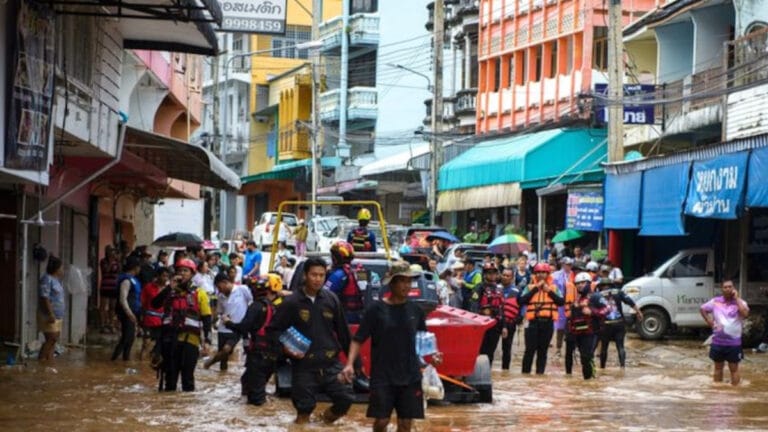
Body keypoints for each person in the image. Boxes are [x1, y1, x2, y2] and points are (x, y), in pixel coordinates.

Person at [342, 261, 444, 432]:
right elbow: (358, 339)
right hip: (383, 375)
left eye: (408, 281)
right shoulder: (376, 310)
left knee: (405, 424)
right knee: (381, 421)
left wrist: (434, 356)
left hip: (410, 375)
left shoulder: (416, 311)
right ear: (391, 283)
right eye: (401, 281)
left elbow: (423, 340)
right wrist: (349, 364)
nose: (406, 285)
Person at [267, 257, 354, 424]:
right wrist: (284, 348)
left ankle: (325, 422)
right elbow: (273, 330)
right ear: (305, 276)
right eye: (314, 275)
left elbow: (344, 334)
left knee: (345, 398)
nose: (318, 279)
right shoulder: (291, 302)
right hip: (304, 367)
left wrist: (353, 364)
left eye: (321, 275)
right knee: (303, 410)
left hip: (330, 364)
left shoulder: (332, 299)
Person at [151, 258, 212, 392]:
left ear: (191, 274)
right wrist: (169, 287)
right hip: (169, 340)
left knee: (187, 377)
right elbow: (155, 304)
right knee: (170, 378)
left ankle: (186, 408)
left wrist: (207, 340)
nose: (182, 273)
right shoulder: (169, 291)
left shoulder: (199, 293)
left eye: (185, 271)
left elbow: (207, 318)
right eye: (179, 270)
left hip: (191, 341)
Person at [223, 274, 281, 405]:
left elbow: (244, 327)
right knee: (248, 383)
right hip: (271, 356)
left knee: (256, 398)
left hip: (258, 356)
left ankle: (259, 421)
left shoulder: (256, 306)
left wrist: (228, 323)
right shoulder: (274, 307)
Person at [700, 280, 749, 385]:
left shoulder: (740, 302)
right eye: (725, 287)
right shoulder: (715, 301)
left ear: (734, 288)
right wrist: (709, 321)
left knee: (734, 369)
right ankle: (717, 391)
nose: (728, 289)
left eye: (730, 287)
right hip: (718, 342)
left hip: (734, 344)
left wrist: (737, 299)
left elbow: (745, 314)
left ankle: (735, 393)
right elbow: (702, 309)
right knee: (718, 369)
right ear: (721, 289)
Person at [519, 263, 564, 374]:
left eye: (543, 272)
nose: (540, 275)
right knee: (529, 351)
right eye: (538, 272)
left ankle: (540, 376)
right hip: (532, 323)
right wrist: (536, 288)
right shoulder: (529, 287)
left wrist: (548, 291)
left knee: (542, 352)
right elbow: (521, 301)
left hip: (547, 323)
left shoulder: (554, 288)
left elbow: (561, 302)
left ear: (547, 274)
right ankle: (525, 375)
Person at [204, 273, 253, 371]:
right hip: (223, 329)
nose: (219, 289)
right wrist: (213, 322)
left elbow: (252, 302)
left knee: (226, 349)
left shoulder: (242, 289)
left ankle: (210, 362)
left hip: (236, 328)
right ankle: (222, 377)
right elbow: (219, 312)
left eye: (219, 286)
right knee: (223, 358)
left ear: (225, 282)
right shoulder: (221, 296)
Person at [566, 272, 608, 380]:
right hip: (579, 333)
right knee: (583, 359)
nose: (580, 285)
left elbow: (608, 309)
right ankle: (587, 382)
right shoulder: (577, 300)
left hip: (592, 332)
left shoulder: (596, 296)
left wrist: (592, 312)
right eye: (578, 283)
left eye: (583, 283)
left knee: (587, 356)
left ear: (589, 283)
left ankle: (590, 380)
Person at [597, 278, 642, 369]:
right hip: (619, 324)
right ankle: (622, 367)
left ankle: (602, 368)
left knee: (604, 347)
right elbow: (629, 301)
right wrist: (638, 312)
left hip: (606, 325)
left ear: (601, 286)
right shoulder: (618, 292)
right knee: (620, 346)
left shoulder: (598, 295)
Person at [324, 241, 365, 324]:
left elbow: (324, 295)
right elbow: (365, 289)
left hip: (342, 316)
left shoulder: (338, 275)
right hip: (358, 314)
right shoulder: (360, 271)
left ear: (335, 258)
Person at [112, 257, 143, 361]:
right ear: (135, 268)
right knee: (127, 337)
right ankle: (116, 359)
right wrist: (129, 313)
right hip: (126, 312)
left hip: (133, 311)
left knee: (130, 337)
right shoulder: (126, 280)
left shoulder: (133, 279)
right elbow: (123, 299)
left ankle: (125, 358)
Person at [38, 256, 66, 362]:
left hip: (58, 315)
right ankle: (41, 361)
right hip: (49, 314)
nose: (62, 270)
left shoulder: (57, 280)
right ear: (56, 268)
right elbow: (45, 297)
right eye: (61, 268)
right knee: (51, 338)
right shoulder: (47, 279)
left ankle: (49, 362)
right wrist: (50, 313)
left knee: (54, 340)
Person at [477, 263, 505, 367]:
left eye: (494, 273)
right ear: (484, 274)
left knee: (491, 352)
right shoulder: (479, 288)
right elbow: (473, 307)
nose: (492, 275)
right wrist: (481, 312)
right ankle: (481, 373)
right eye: (489, 273)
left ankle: (488, 372)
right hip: (483, 325)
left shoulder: (499, 289)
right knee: (481, 351)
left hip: (496, 325)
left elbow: (502, 308)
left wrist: (504, 326)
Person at [140, 267, 169, 361]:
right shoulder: (148, 287)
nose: (165, 278)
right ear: (158, 276)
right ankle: (141, 365)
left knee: (159, 347)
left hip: (162, 322)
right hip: (149, 320)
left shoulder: (168, 289)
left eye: (167, 276)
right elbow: (142, 303)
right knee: (146, 344)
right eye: (164, 276)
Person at [499, 267, 522, 371]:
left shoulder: (517, 291)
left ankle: (505, 369)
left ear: (512, 278)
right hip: (496, 321)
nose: (505, 277)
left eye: (508, 276)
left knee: (506, 348)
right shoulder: (496, 288)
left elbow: (522, 307)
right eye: (503, 275)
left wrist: (518, 319)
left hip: (509, 322)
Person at [553, 257, 575, 357]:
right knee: (560, 328)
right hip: (561, 305)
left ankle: (572, 350)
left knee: (573, 327)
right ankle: (558, 349)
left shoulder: (574, 275)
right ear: (563, 265)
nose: (569, 266)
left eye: (570, 264)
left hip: (572, 304)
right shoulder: (556, 276)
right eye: (567, 264)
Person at [99, 245, 120, 333]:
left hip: (114, 287)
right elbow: (106, 270)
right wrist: (111, 262)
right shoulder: (103, 261)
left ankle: (111, 324)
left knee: (112, 306)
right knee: (103, 306)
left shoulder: (117, 262)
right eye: (111, 250)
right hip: (105, 286)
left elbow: (118, 273)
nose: (112, 252)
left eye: (113, 250)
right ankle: (103, 324)